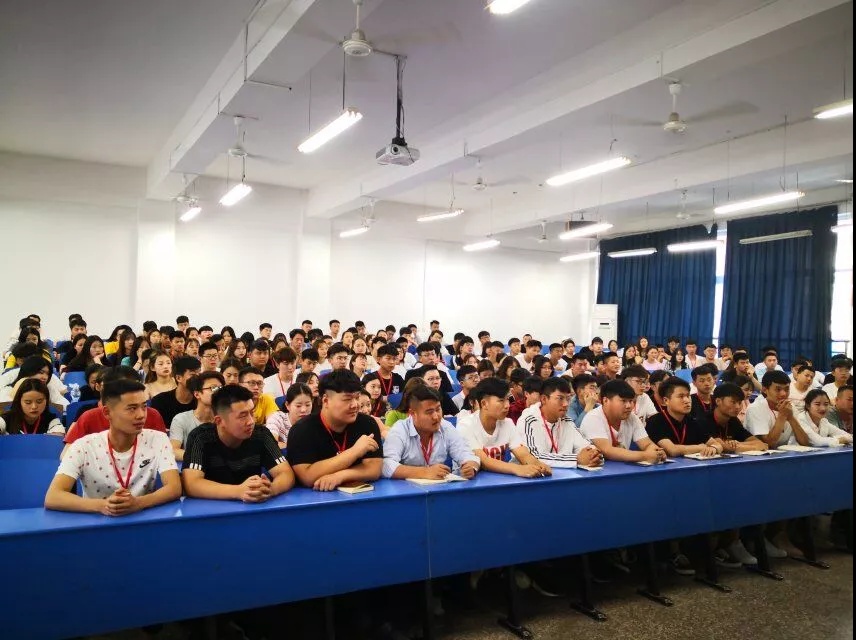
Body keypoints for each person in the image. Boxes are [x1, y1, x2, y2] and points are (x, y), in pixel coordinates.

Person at [45, 379, 180, 514]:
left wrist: (139, 503)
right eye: (132, 408)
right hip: (96, 521)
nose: (141, 415)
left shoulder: (158, 439)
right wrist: (103, 505)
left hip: (142, 518)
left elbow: (174, 487)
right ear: (107, 412)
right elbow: (53, 496)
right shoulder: (83, 446)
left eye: (144, 407)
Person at [182, 385, 295, 501]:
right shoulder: (200, 437)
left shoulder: (261, 434)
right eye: (243, 416)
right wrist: (238, 491)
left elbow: (286, 473)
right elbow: (191, 484)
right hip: (212, 507)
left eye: (252, 412)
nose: (251, 421)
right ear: (219, 421)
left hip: (254, 507)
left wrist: (270, 490)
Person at [285, 370, 383, 491]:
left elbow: (374, 468)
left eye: (357, 397)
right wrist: (354, 451)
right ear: (325, 400)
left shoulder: (367, 423)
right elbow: (307, 476)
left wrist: (340, 476)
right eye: (347, 399)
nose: (355, 405)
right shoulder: (302, 430)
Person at [457, 377, 551, 478]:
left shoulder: (508, 423)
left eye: (507, 399)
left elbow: (522, 453)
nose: (507, 405)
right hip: (469, 481)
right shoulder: (466, 425)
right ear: (484, 404)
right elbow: (483, 461)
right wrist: (517, 469)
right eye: (501, 400)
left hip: (498, 480)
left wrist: (538, 465)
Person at [382, 385, 480, 480]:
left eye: (438, 409)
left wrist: (471, 466)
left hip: (439, 487)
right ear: (413, 414)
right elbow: (386, 465)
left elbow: (466, 454)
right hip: (405, 488)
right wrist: (425, 472)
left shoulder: (445, 426)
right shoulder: (400, 430)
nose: (436, 416)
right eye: (429, 412)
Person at [517, 377, 603, 468]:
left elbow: (584, 445)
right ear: (544, 399)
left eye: (568, 399)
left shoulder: (566, 421)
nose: (566, 404)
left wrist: (593, 454)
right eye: (560, 398)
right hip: (530, 475)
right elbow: (534, 457)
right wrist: (576, 459)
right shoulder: (529, 421)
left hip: (563, 474)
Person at [579, 380, 667, 464]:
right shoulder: (593, 418)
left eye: (631, 401)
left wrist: (657, 452)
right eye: (623, 401)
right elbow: (607, 451)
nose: (629, 406)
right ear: (606, 401)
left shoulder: (632, 417)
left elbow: (647, 444)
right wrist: (645, 456)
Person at [643, 378, 721, 459]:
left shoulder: (693, 421)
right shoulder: (655, 421)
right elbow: (672, 450)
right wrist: (700, 447)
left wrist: (714, 448)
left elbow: (717, 445)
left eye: (688, 396)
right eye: (681, 396)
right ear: (666, 400)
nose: (687, 400)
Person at [744, 371, 811, 448]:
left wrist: (791, 418)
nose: (783, 394)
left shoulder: (790, 407)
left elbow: (805, 442)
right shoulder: (755, 408)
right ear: (765, 390)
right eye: (778, 389)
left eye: (786, 389)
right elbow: (769, 444)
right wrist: (782, 416)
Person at [169, 371, 224, 461]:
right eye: (213, 388)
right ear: (197, 394)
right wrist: (201, 457)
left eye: (221, 388)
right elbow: (174, 451)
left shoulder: (226, 418)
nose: (218, 392)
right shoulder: (181, 419)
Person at [702, 383, 769, 453]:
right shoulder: (704, 420)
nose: (737, 407)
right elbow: (724, 447)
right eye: (733, 402)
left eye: (740, 403)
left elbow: (760, 443)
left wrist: (737, 444)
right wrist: (753, 447)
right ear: (718, 401)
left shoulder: (733, 420)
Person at [149, 356, 201, 428]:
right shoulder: (159, 401)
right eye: (192, 374)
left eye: (199, 373)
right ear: (178, 378)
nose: (198, 377)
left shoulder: (201, 401)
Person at [266, 383, 314, 449]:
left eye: (308, 405)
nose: (303, 410)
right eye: (298, 406)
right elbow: (271, 443)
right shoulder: (277, 418)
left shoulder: (315, 422)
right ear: (287, 405)